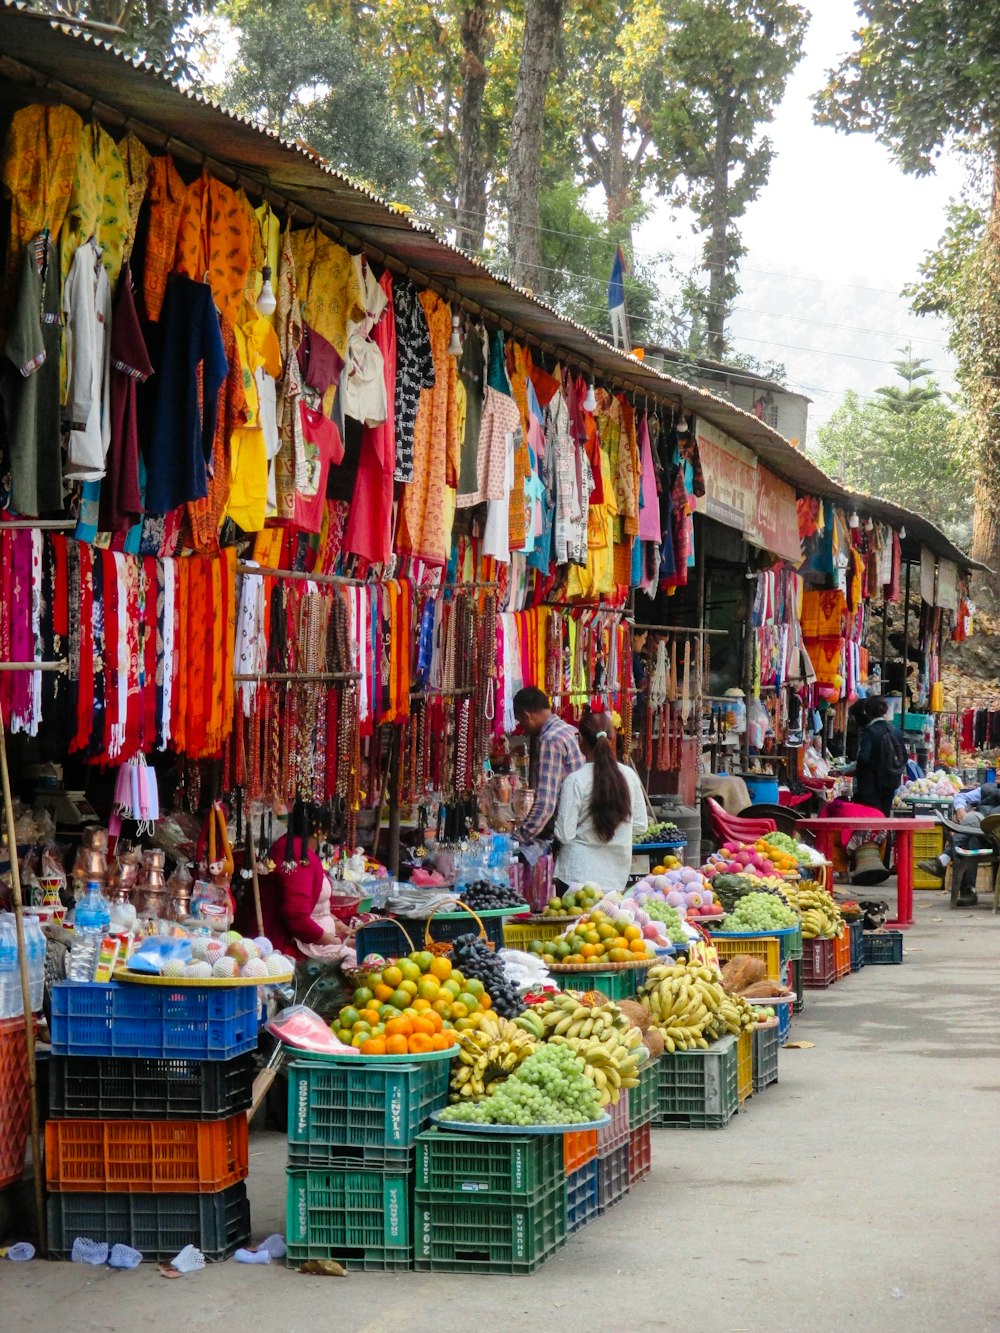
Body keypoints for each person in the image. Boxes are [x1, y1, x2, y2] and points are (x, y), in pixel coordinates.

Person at [553, 710, 648, 891]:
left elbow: (565, 834)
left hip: (576, 879)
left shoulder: (576, 780)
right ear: (613, 739)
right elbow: (640, 826)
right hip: (615, 879)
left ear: (580, 740)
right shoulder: (629, 776)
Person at [254, 801, 352, 960]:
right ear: (321, 829)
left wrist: (337, 926)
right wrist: (333, 941)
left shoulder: (292, 847)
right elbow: (297, 918)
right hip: (286, 948)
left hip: (308, 941)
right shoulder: (299, 855)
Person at [511, 686, 584, 859]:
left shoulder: (550, 740)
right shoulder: (568, 730)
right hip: (582, 826)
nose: (522, 727)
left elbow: (546, 803)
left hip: (570, 833)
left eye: (520, 721)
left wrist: (519, 837)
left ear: (526, 716)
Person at [918, 783, 1000, 904]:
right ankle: (968, 891)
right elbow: (960, 797)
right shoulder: (987, 788)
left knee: (971, 818)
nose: (997, 772)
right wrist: (960, 808)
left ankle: (943, 860)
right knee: (971, 835)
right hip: (981, 834)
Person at [841, 696, 907, 816]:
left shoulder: (870, 732)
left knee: (870, 821)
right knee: (883, 820)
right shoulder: (896, 731)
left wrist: (852, 772)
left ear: (867, 712)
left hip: (870, 786)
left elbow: (863, 758)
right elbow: (904, 757)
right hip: (890, 784)